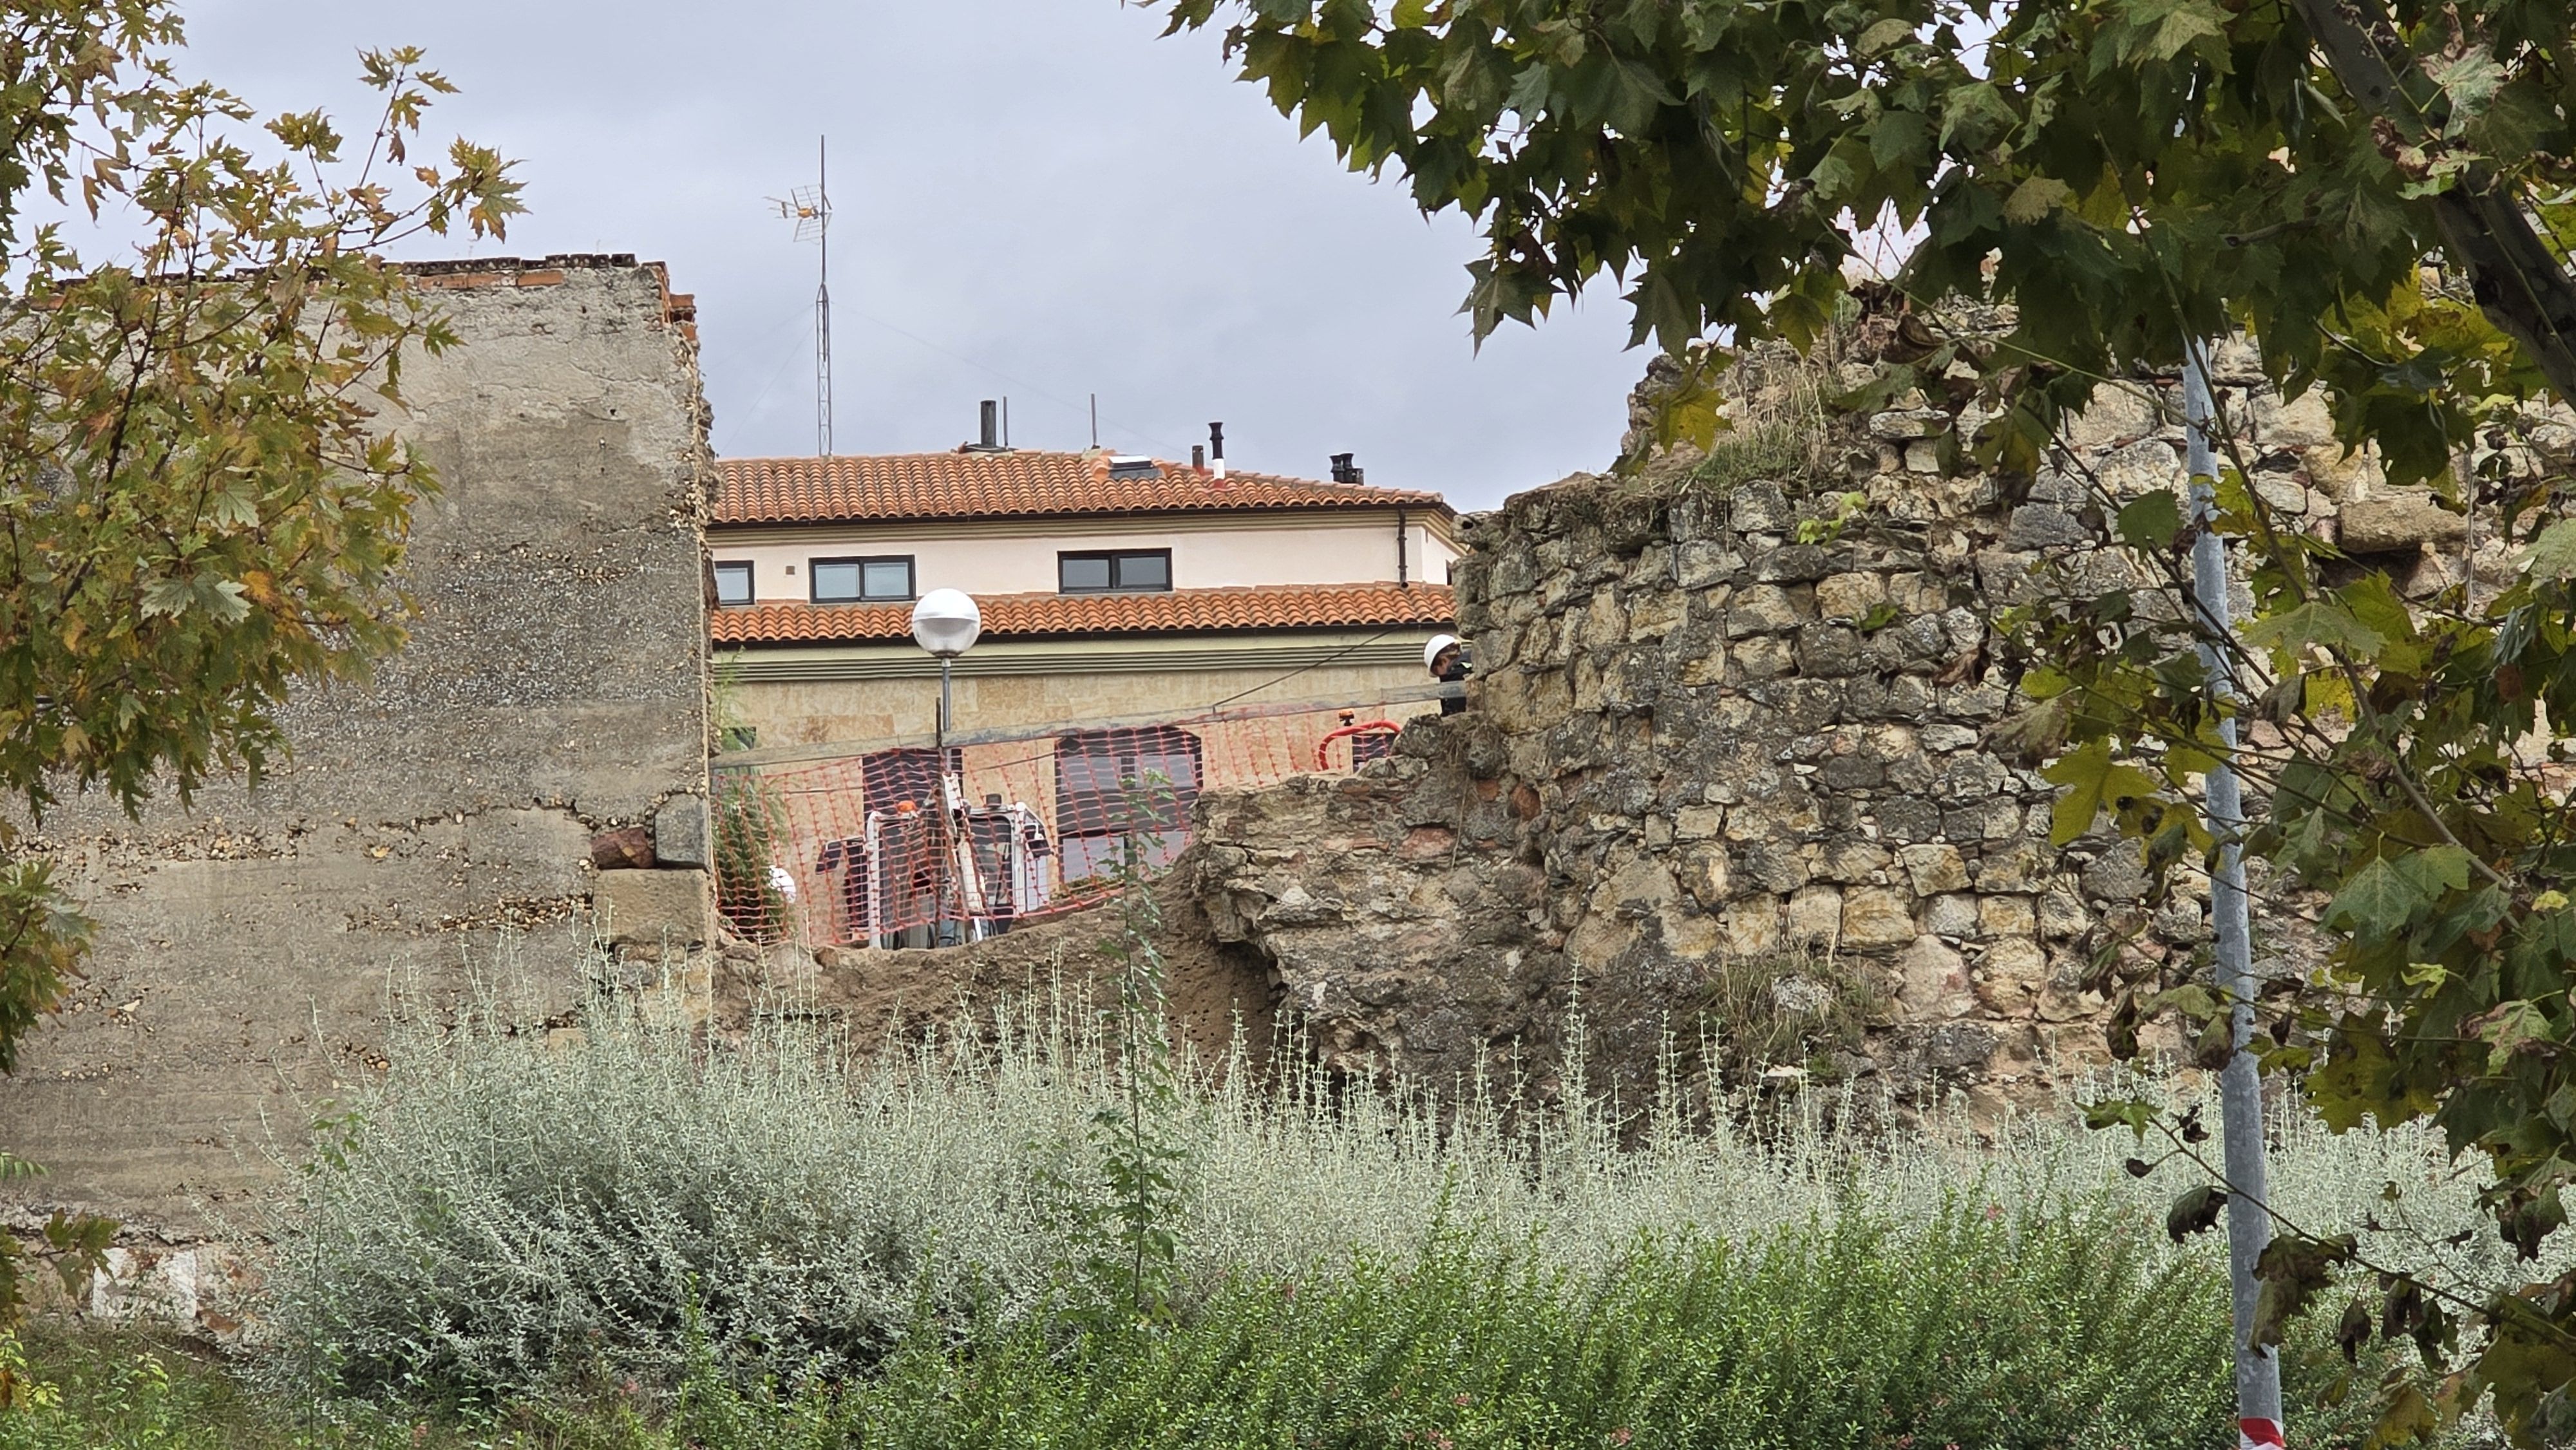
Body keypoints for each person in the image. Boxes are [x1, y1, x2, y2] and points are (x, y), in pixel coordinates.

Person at [1425, 634, 1470, 715]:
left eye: (1436, 671)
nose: (1440, 676)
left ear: (1444, 661)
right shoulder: (1475, 658)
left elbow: (1454, 712)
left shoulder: (1456, 674)